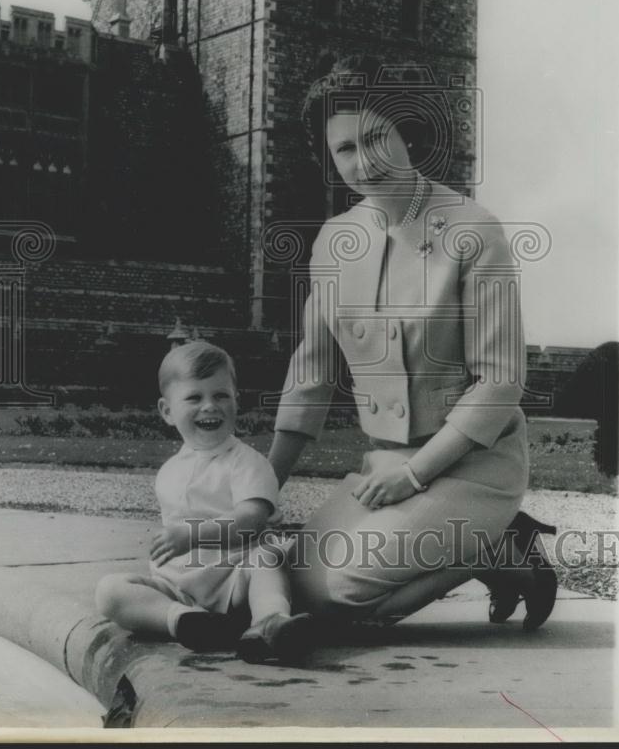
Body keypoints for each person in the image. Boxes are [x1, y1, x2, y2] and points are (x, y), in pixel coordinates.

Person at [268, 55, 557, 627]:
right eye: (345, 149)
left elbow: (502, 380)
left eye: (377, 137)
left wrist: (417, 473)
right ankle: (486, 545)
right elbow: (312, 371)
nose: (363, 160)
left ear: (410, 134)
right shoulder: (335, 240)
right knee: (292, 582)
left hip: (472, 468)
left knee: (339, 597)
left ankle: (501, 546)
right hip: (385, 466)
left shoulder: (473, 229)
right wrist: (260, 490)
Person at [95, 341, 312, 664]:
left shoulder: (247, 464)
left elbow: (249, 520)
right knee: (110, 592)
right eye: (194, 397)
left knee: (266, 559)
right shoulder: (169, 471)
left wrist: (192, 535)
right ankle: (184, 621)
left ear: (237, 402)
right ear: (167, 411)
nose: (210, 406)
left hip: (234, 581)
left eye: (221, 395)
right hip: (178, 585)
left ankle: (269, 622)